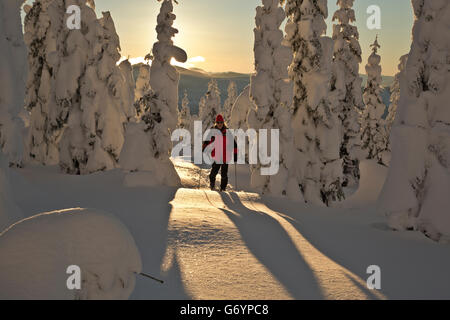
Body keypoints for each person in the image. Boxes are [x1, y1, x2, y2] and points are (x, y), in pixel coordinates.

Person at [202, 114, 237, 192]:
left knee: (224, 174)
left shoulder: (227, 132)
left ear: (223, 122)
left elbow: (234, 144)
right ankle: (212, 185)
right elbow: (206, 141)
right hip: (217, 156)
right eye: (218, 122)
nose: (220, 124)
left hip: (225, 156)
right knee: (213, 172)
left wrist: (235, 154)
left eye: (221, 122)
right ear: (216, 123)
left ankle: (223, 189)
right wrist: (204, 148)